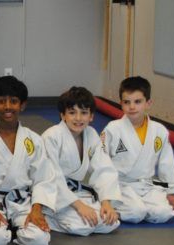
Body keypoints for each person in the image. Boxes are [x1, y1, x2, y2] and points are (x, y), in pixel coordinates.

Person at [0, 76, 59, 245]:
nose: (8, 107)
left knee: (39, 240)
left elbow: (43, 178)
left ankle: (15, 230)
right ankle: (4, 230)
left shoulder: (33, 139)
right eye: (2, 102)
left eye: (14, 101)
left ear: (23, 105)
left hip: (22, 202)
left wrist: (36, 209)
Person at [101, 76, 174, 223]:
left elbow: (167, 164)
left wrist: (171, 195)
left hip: (148, 183)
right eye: (127, 102)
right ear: (120, 103)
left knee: (163, 213)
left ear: (148, 103)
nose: (132, 107)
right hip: (121, 184)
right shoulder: (113, 129)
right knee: (136, 212)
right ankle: (131, 207)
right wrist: (104, 197)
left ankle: (144, 205)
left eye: (138, 102)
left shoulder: (159, 131)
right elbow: (101, 162)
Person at [41, 86, 121, 236]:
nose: (78, 118)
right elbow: (52, 178)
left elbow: (104, 169)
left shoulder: (91, 134)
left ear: (91, 116)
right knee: (83, 227)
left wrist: (106, 202)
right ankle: (49, 216)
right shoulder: (51, 137)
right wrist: (80, 207)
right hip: (56, 196)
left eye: (84, 113)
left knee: (111, 222)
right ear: (63, 115)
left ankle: (82, 213)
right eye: (72, 113)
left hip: (78, 193)